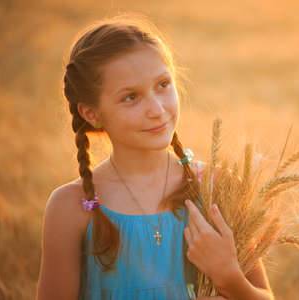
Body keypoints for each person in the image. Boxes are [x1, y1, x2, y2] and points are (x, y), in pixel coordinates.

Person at [36, 13, 274, 300]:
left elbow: (265, 296)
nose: (157, 109)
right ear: (91, 113)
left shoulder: (216, 189)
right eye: (130, 97)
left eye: (163, 84)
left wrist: (230, 277)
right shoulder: (71, 207)